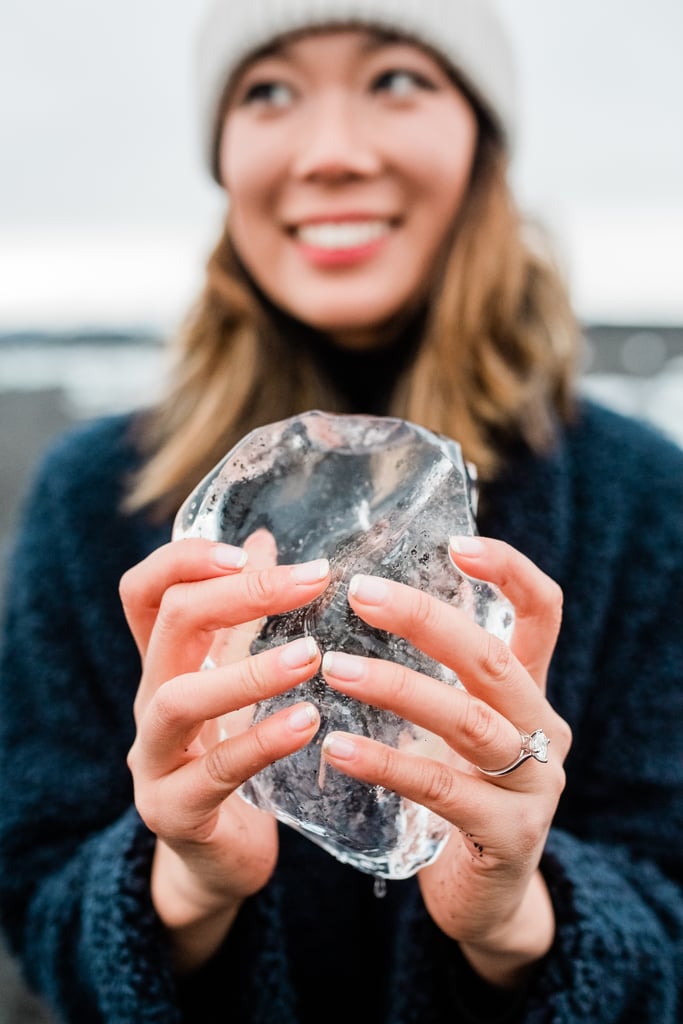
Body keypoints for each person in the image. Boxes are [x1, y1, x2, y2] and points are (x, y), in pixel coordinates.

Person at [0, 0, 681, 1021]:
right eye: (268, 91)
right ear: (222, 153)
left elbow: (666, 925)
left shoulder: (639, 502)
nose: (330, 153)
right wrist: (183, 881)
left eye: (395, 78)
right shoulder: (95, 498)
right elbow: (37, 902)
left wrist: (513, 916)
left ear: (480, 141)